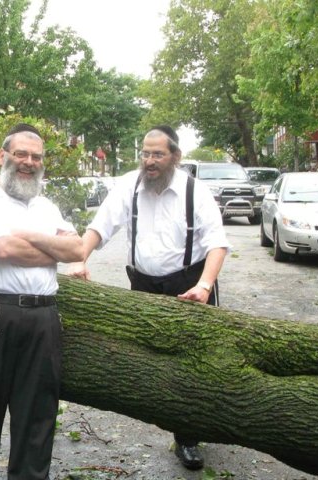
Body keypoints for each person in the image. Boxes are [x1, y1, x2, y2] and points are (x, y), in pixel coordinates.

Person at [68, 125, 230, 471]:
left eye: (157, 154)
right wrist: (81, 259)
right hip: (143, 286)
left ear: (175, 156)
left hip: (189, 288)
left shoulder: (195, 192)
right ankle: (166, 412)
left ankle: (187, 437)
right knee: (149, 360)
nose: (149, 161)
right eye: (145, 153)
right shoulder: (130, 184)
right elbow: (100, 226)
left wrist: (204, 285)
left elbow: (218, 243)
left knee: (193, 367)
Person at [0, 124, 84, 479]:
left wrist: (25, 234)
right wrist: (51, 249)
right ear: (3, 156)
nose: (28, 162)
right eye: (21, 154)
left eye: (36, 157)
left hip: (43, 321)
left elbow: (77, 249)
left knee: (37, 423)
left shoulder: (47, 206)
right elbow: (1, 249)